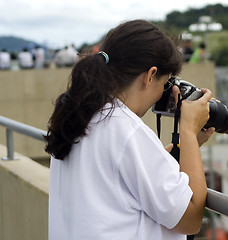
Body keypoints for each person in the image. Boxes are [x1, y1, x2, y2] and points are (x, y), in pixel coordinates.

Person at [45, 19, 215, 240]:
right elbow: (190, 218)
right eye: (164, 84)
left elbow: (124, 174)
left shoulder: (80, 116)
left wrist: (188, 144)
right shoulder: (126, 129)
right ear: (151, 75)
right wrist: (189, 132)